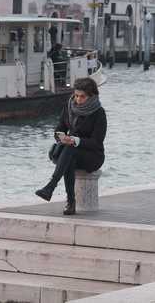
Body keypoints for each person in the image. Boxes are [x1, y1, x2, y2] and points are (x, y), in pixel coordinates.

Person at [35, 77, 107, 215]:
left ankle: (52, 187)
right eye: (76, 95)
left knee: (71, 150)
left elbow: (97, 142)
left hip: (92, 155)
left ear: (92, 96)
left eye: (82, 97)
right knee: (70, 156)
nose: (78, 99)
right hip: (70, 152)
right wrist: (61, 137)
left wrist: (76, 140)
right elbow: (59, 129)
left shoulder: (99, 113)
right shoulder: (69, 106)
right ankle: (69, 201)